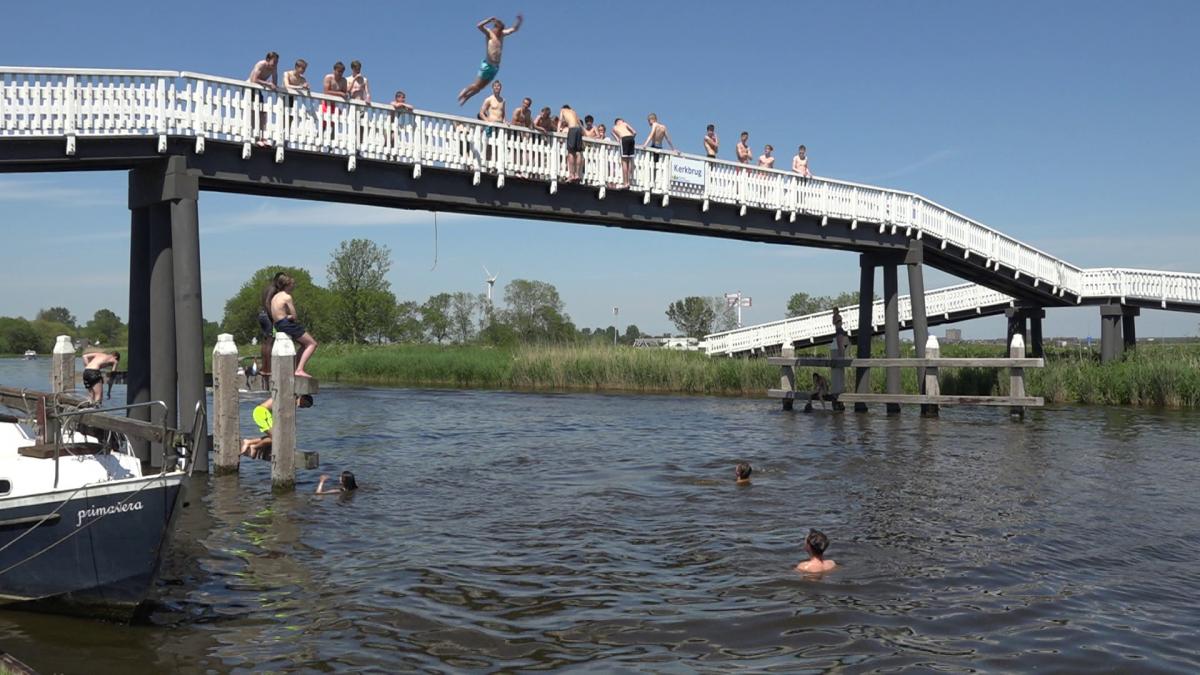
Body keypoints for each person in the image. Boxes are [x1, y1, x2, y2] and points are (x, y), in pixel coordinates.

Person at [457, 14, 523, 106]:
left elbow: (514, 29)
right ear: (495, 28)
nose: (499, 32)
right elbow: (479, 26)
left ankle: (466, 97)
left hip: (495, 67)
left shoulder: (502, 34)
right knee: (476, 85)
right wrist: (489, 20)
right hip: (487, 65)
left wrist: (519, 21)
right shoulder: (489, 33)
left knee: (479, 88)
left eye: (501, 30)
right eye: (498, 29)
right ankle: (464, 92)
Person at [268, 273, 318, 377]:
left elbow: (275, 314)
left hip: (277, 325)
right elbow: (295, 316)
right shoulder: (287, 297)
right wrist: (289, 316)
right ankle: (299, 369)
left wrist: (284, 316)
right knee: (312, 344)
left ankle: (296, 368)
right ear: (287, 285)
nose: (294, 286)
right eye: (292, 284)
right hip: (286, 324)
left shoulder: (274, 297)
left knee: (304, 344)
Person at [240, 394, 315, 461]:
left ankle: (249, 442)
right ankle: (255, 447)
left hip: (268, 414)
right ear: (302, 398)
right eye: (305, 404)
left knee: (277, 437)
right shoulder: (290, 397)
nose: (303, 406)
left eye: (305, 406)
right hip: (261, 412)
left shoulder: (292, 404)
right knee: (277, 438)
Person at [247, 52, 279, 147]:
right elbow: (253, 80)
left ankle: (263, 138)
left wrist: (273, 84)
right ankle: (255, 138)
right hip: (249, 88)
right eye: (274, 62)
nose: (275, 64)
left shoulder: (274, 68)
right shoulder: (261, 64)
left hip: (258, 91)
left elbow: (274, 83)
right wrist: (268, 84)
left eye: (277, 62)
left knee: (263, 114)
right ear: (268, 60)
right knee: (253, 113)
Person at [321, 62, 348, 138]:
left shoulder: (344, 80)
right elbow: (326, 92)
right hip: (326, 104)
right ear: (334, 70)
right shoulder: (328, 78)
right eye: (338, 71)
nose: (340, 73)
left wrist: (345, 94)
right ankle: (319, 138)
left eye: (342, 72)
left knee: (336, 122)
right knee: (324, 123)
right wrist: (340, 93)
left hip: (335, 105)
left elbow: (344, 93)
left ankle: (332, 140)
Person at [559, 104, 584, 182]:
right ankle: (577, 174)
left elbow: (560, 121)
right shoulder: (573, 111)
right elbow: (580, 124)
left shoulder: (563, 110)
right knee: (578, 152)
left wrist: (558, 131)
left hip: (572, 129)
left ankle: (571, 175)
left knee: (571, 152)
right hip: (578, 130)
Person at [611, 117, 637, 188]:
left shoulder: (615, 127)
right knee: (629, 161)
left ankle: (625, 183)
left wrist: (616, 136)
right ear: (621, 121)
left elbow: (617, 139)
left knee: (624, 162)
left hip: (624, 138)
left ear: (616, 122)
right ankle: (629, 181)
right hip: (631, 138)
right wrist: (631, 139)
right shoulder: (625, 123)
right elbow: (634, 132)